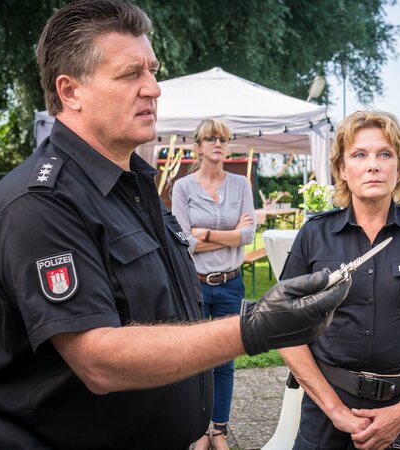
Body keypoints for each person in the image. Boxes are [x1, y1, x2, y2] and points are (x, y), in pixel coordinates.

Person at [0, 1, 350, 448]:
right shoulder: (40, 202)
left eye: (153, 71)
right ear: (70, 92)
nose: (153, 89)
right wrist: (253, 326)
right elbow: (99, 360)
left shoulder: (131, 185)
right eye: (130, 75)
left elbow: (167, 316)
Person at [279, 110, 400, 450]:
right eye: (359, 155)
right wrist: (334, 409)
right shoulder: (314, 235)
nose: (373, 165)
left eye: (385, 154)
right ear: (341, 169)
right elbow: (286, 330)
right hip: (329, 407)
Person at [171, 119, 255, 450]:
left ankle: (218, 430)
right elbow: (182, 240)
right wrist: (229, 236)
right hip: (195, 285)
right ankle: (197, 430)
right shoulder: (183, 187)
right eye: (210, 138)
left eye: (223, 138)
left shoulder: (241, 184)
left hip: (231, 285)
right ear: (198, 147)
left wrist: (204, 233)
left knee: (225, 362)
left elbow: (248, 235)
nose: (218, 143)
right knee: (193, 361)